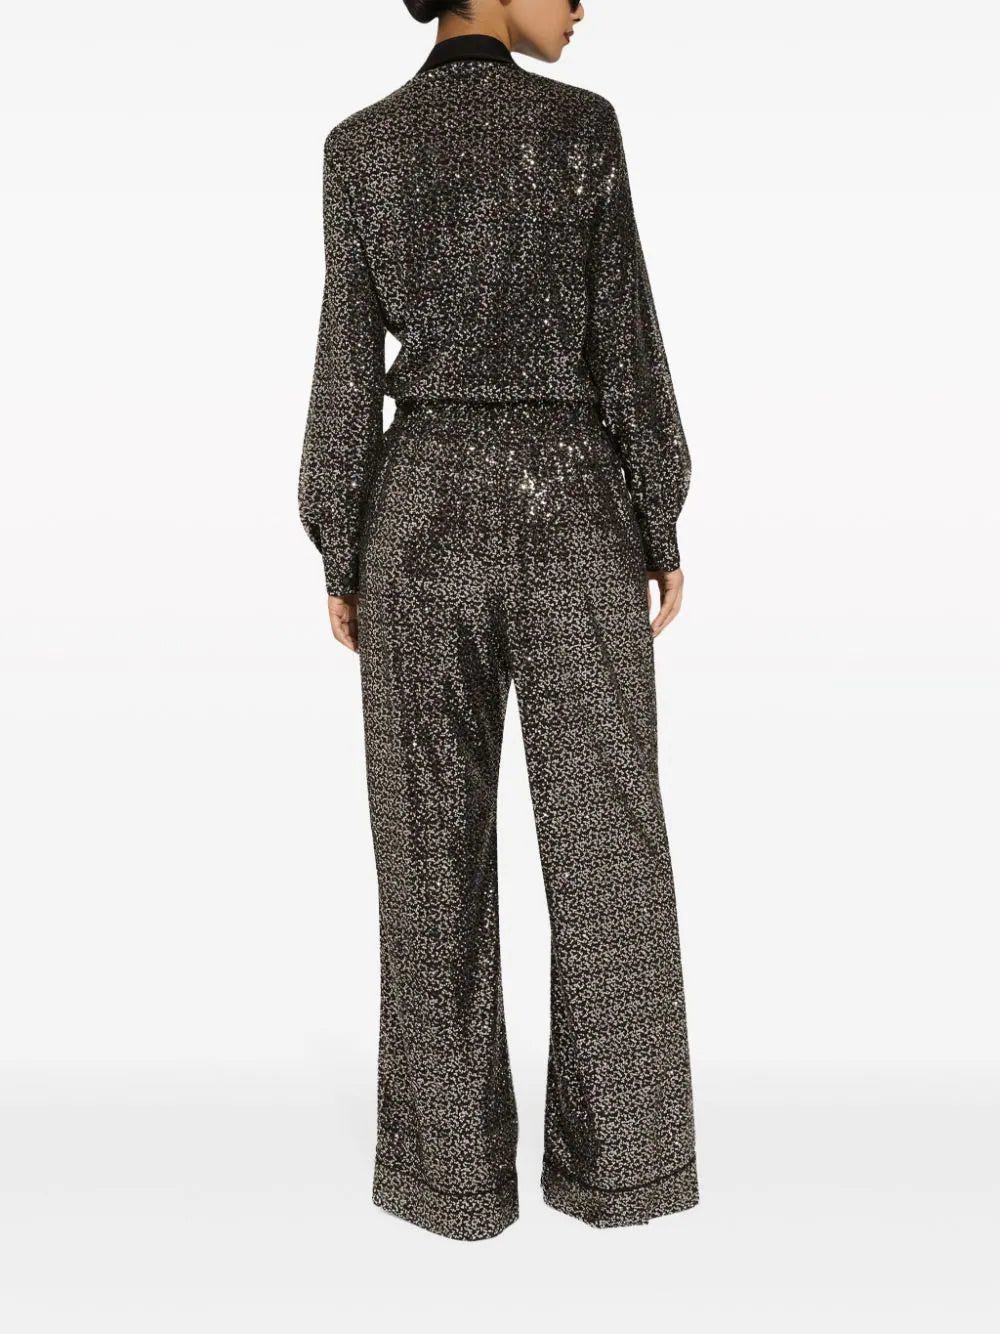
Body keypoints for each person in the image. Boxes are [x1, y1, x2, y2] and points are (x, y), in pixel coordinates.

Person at [298, 0, 698, 1241]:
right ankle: (623, 1170)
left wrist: (340, 535)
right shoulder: (579, 129)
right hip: (573, 510)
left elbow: (344, 362)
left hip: (415, 518)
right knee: (610, 849)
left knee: (428, 859)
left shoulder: (361, 146)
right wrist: (658, 510)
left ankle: (450, 1180)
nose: (581, 2)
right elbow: (623, 335)